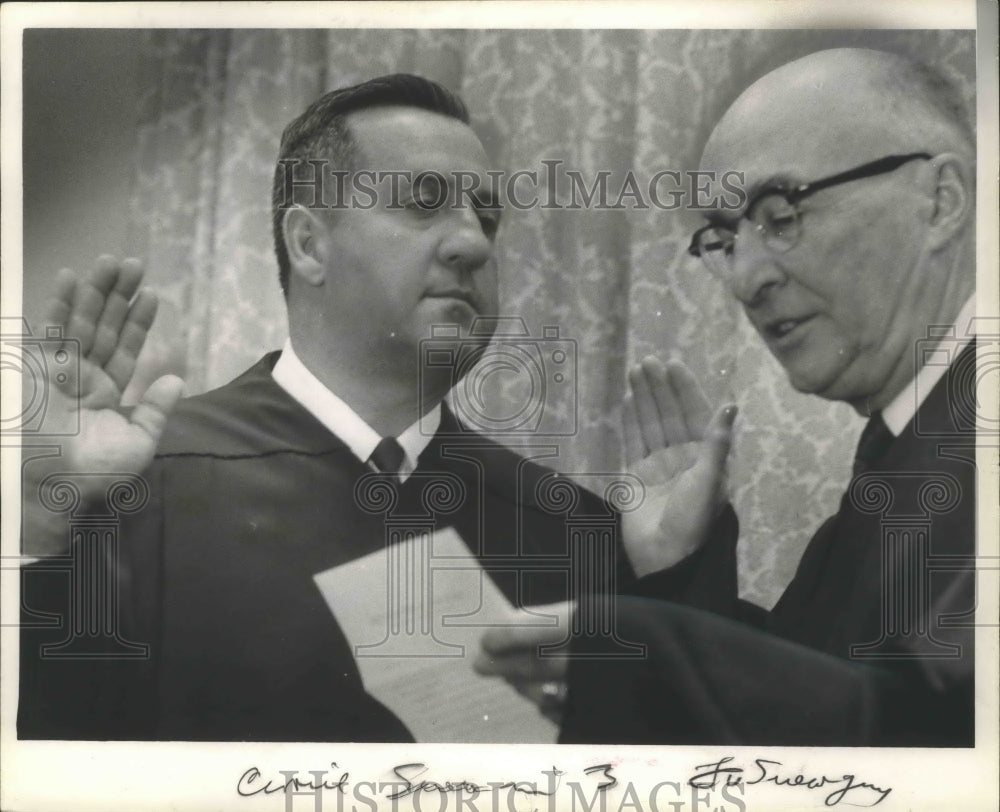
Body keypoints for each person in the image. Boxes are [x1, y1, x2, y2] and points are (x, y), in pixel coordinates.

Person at [19, 74, 742, 742]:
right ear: (308, 244)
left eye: (485, 217)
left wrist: (675, 578)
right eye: (424, 202)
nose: (472, 243)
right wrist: (42, 523)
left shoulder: (575, 529)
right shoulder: (135, 488)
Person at [478, 48, 977, 747]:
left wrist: (651, 647)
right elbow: (826, 683)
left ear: (940, 201)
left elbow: (937, 747)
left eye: (781, 213)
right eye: (723, 237)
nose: (744, 279)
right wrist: (678, 565)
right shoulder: (913, 438)